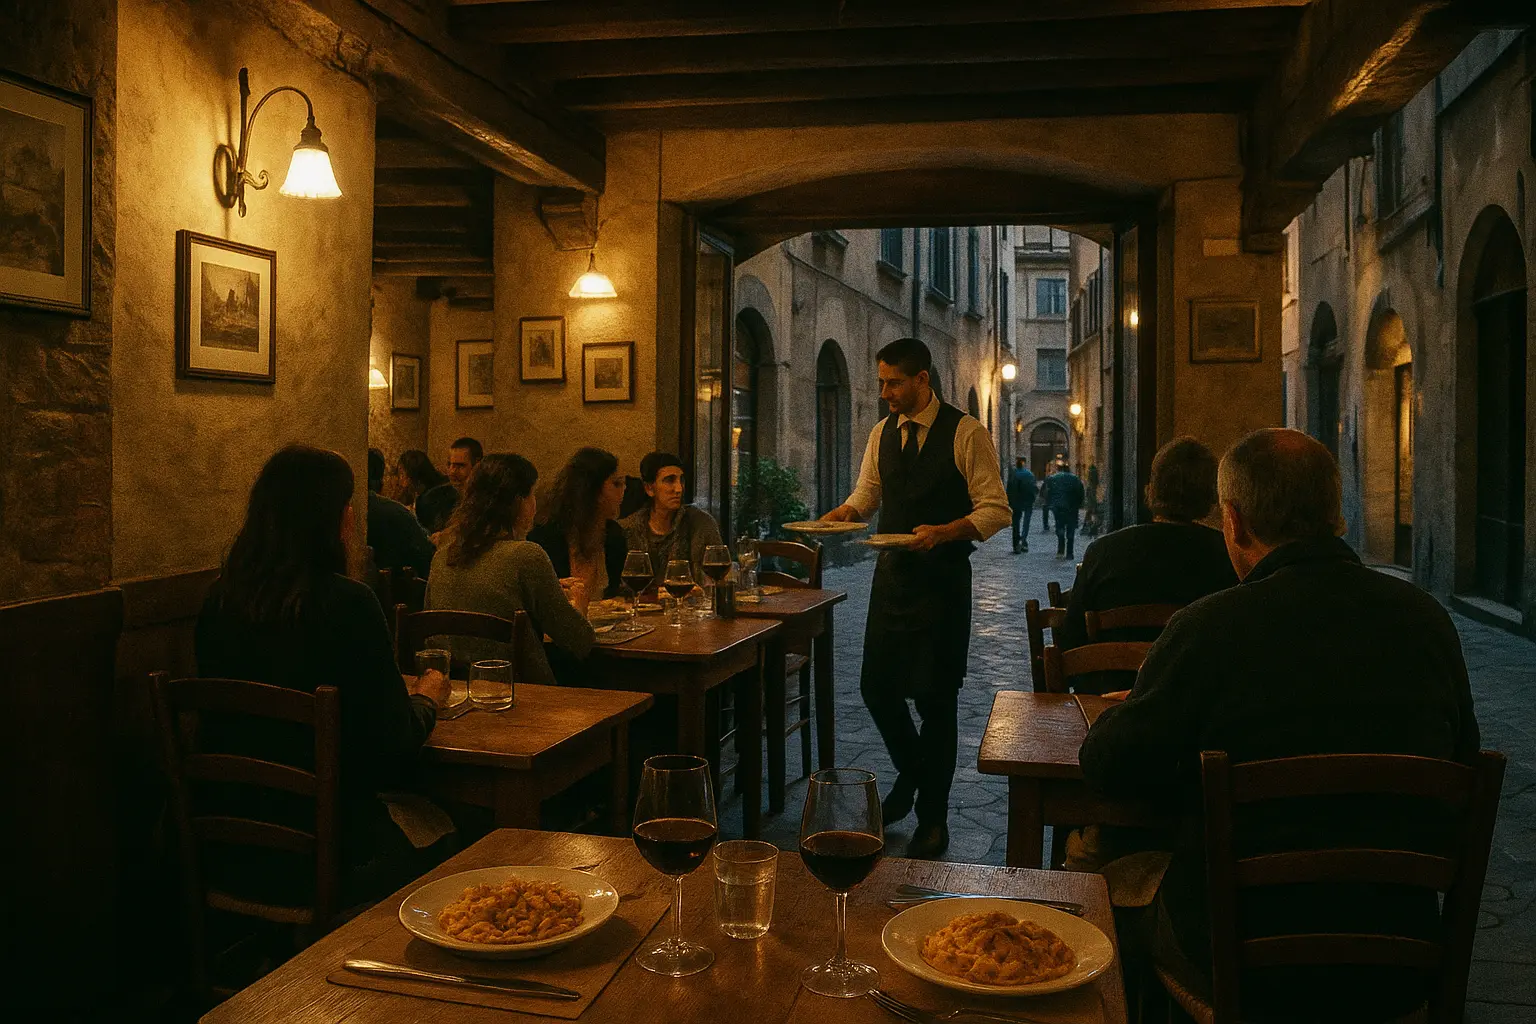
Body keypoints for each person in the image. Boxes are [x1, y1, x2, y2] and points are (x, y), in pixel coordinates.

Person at [1079, 428, 1479, 1021]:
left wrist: (1135, 706)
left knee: (1103, 884)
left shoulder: (1211, 627)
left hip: (1237, 954)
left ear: (1234, 523)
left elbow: (1108, 767)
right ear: (1336, 514)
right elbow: (1460, 770)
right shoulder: (1426, 620)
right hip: (1397, 958)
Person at [195, 445, 453, 904]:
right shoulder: (349, 605)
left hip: (220, 837)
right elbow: (391, 750)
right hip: (328, 847)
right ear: (338, 519)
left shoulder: (218, 601)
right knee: (463, 833)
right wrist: (428, 698)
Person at [821, 337, 1010, 859]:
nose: (885, 392)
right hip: (892, 580)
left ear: (922, 379)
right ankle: (913, 774)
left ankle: (933, 818)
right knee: (877, 691)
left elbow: (996, 510)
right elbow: (869, 495)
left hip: (943, 585)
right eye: (881, 382)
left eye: (893, 382)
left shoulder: (966, 432)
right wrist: (847, 512)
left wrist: (946, 532)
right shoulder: (882, 433)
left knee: (936, 702)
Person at [1057, 437, 1238, 686]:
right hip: (1198, 701)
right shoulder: (1226, 552)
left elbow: (1071, 643)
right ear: (1210, 495)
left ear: (1151, 490)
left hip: (1111, 700)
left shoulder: (1104, 551)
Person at [425, 453, 596, 685]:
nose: (535, 504)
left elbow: (432, 635)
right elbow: (580, 641)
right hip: (522, 694)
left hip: (454, 690)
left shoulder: (442, 555)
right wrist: (580, 601)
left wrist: (548, 588)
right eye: (532, 494)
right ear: (518, 502)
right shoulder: (527, 556)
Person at [528, 447, 629, 600]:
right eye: (617, 484)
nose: (624, 490)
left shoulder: (614, 537)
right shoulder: (546, 539)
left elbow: (619, 596)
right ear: (592, 490)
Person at [619, 452, 724, 585]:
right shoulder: (630, 529)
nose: (679, 488)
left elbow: (717, 581)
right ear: (649, 488)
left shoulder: (701, 523)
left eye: (681, 480)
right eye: (669, 480)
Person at [366, 447, 435, 576]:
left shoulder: (425, 501)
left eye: (400, 474)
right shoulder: (397, 512)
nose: (397, 480)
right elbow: (426, 554)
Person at [395, 449, 458, 534]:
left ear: (412, 475)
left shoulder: (428, 499)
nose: (400, 479)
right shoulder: (441, 485)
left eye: (402, 474)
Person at [1047, 460, 1085, 559]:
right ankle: (1069, 553)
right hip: (1072, 508)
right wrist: (1079, 504)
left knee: (1060, 527)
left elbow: (1049, 492)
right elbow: (1081, 493)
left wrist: (1051, 504)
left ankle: (1060, 550)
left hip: (1058, 507)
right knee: (1070, 530)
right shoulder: (1075, 479)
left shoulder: (1054, 478)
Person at [1006, 457, 1038, 554]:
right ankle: (1024, 541)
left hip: (1016, 502)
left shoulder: (1013, 474)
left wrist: (1009, 502)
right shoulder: (1029, 474)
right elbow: (1034, 488)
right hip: (1028, 500)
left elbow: (1010, 489)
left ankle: (1016, 544)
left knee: (1016, 523)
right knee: (1026, 522)